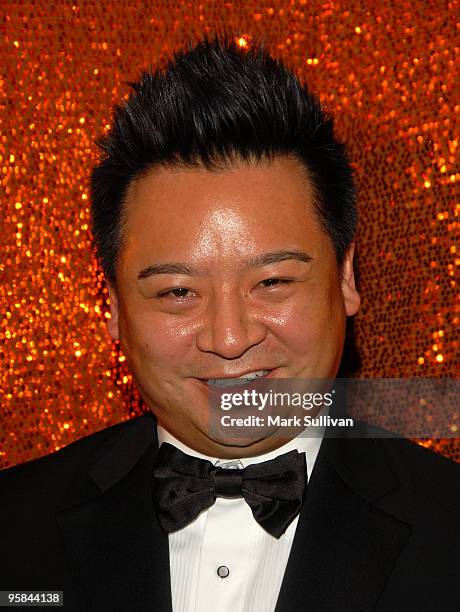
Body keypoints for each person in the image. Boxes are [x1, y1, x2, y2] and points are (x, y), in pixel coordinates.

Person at [0, 33, 458, 612]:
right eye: (178, 291)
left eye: (272, 283)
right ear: (112, 306)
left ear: (345, 278)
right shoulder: (14, 530)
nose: (231, 338)